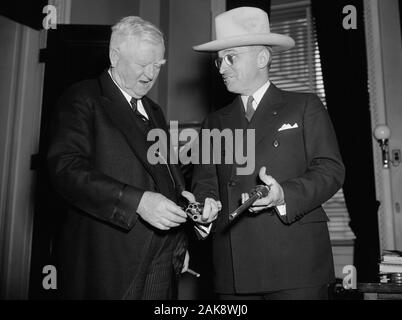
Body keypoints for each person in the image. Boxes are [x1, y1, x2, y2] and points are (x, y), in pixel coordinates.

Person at [47, 16, 218, 299]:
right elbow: (66, 171)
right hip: (111, 262)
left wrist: (187, 226)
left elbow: (168, 178)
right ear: (115, 56)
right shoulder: (82, 98)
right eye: (142, 65)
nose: (150, 75)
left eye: (158, 66)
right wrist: (137, 202)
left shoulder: (154, 110)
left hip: (164, 257)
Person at [191, 7, 345, 300]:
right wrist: (203, 209)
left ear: (262, 58)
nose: (222, 68)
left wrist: (284, 194)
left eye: (230, 57)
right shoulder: (214, 122)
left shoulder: (304, 105)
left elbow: (331, 170)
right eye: (219, 60)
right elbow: (205, 182)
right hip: (233, 271)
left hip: (297, 265)